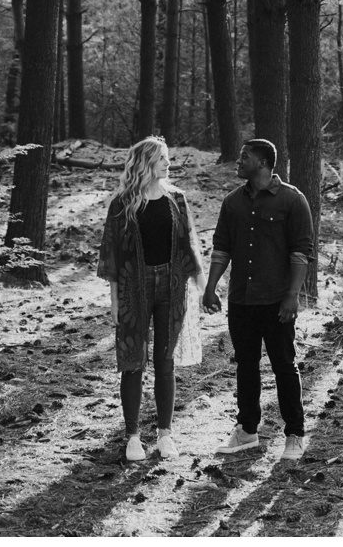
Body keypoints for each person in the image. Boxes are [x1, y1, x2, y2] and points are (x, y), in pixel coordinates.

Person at [201, 137, 314, 461]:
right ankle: (247, 431)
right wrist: (211, 287)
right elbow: (222, 248)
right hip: (241, 300)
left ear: (263, 163)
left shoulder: (292, 200)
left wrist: (292, 296)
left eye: (244, 157)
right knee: (246, 365)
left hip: (277, 301)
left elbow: (300, 253)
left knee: (284, 366)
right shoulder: (232, 202)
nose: (238, 161)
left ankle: (294, 434)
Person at [97, 136, 205, 462]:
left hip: (171, 286)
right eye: (162, 158)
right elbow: (112, 254)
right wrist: (115, 300)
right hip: (133, 287)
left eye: (168, 158)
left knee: (165, 361)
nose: (168, 164)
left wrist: (205, 287)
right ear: (145, 163)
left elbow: (188, 245)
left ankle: (165, 435)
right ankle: (132, 438)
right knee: (132, 362)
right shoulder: (122, 202)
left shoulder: (177, 199)